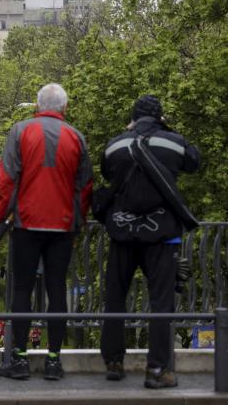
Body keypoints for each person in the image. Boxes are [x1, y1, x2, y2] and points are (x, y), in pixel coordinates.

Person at [99, 95, 199, 389]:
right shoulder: (173, 141)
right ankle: (157, 370)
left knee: (115, 297)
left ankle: (114, 363)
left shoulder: (116, 144)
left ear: (132, 117)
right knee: (161, 303)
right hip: (162, 234)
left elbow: (108, 172)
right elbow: (194, 161)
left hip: (123, 232)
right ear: (160, 117)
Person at [0, 83, 92, 381]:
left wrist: (3, 217)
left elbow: (7, 178)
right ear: (64, 108)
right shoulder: (77, 137)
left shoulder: (20, 131)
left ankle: (20, 358)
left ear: (38, 105)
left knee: (22, 290)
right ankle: (53, 360)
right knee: (57, 290)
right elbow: (85, 186)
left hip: (26, 222)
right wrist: (78, 221)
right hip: (62, 225)